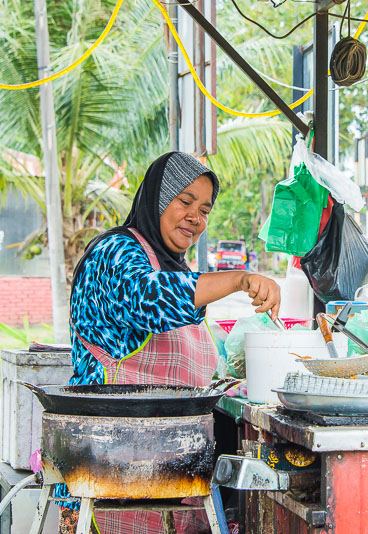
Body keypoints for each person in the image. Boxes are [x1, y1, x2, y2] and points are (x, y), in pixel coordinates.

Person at [58, 152, 281, 534]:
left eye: (205, 209)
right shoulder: (114, 252)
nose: (196, 217)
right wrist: (238, 279)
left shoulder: (173, 268)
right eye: (185, 201)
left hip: (165, 466)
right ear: (158, 199)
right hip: (111, 467)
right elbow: (146, 297)